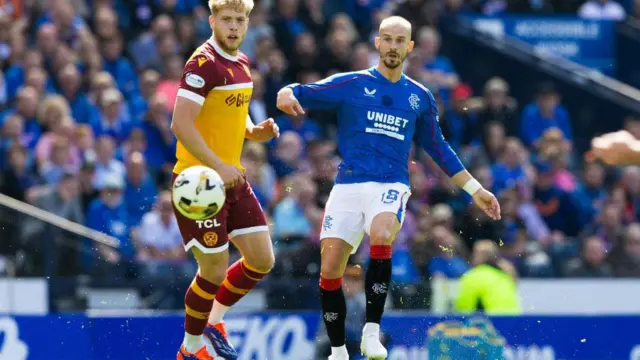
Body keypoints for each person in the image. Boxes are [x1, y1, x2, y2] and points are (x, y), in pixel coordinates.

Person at [276, 16, 501, 360]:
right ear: (377, 43)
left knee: (382, 234)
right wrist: (284, 92)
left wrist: (475, 189)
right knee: (330, 270)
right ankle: (338, 350)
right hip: (348, 184)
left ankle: (370, 331)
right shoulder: (351, 83)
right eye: (387, 39)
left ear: (410, 47)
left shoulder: (419, 97)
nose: (393, 47)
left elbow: (438, 148)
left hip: (391, 183)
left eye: (400, 41)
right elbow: (301, 91)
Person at [170, 1, 280, 359]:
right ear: (212, 21)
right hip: (198, 183)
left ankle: (214, 321)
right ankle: (190, 349)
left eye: (240, 20)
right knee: (213, 271)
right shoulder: (202, 64)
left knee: (262, 260)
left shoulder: (241, 61)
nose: (233, 26)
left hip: (231, 177)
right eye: (227, 20)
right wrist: (218, 164)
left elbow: (228, 112)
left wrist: (253, 131)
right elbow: (180, 123)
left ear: (248, 24)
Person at [454, 240, 522, 315]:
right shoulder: (505, 275)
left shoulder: (473, 276)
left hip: (492, 322)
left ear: (478, 255)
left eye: (474, 253)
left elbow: (463, 309)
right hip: (514, 321)